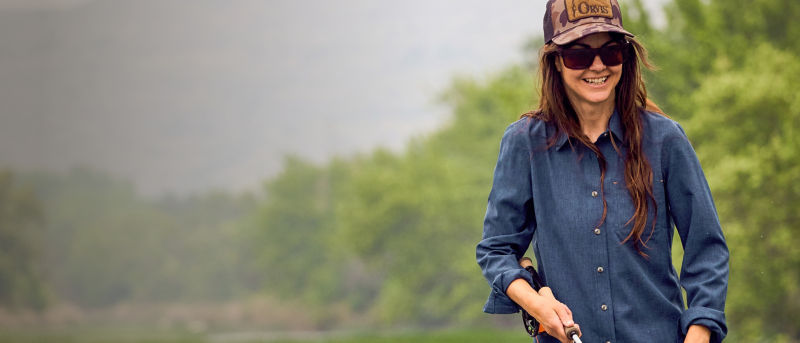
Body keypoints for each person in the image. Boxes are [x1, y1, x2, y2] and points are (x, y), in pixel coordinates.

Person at [475, 1, 729, 342]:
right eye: (578, 55)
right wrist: (537, 305)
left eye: (611, 51)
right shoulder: (524, 143)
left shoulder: (666, 140)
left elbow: (707, 250)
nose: (598, 65)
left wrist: (698, 334)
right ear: (556, 61)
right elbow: (497, 250)